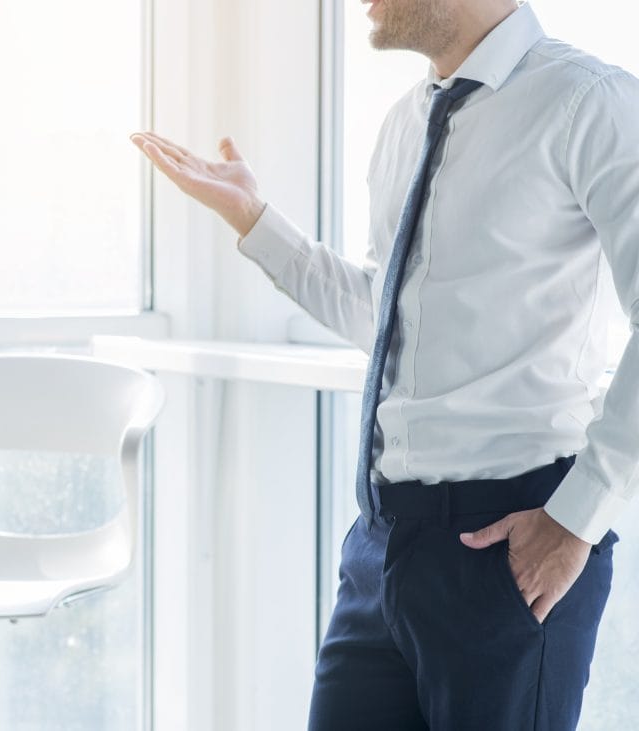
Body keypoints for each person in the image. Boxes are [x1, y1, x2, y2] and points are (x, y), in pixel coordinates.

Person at [133, 0, 636, 728]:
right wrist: (255, 220)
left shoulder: (587, 102)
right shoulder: (405, 124)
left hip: (512, 548)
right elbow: (387, 318)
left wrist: (578, 518)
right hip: (382, 545)